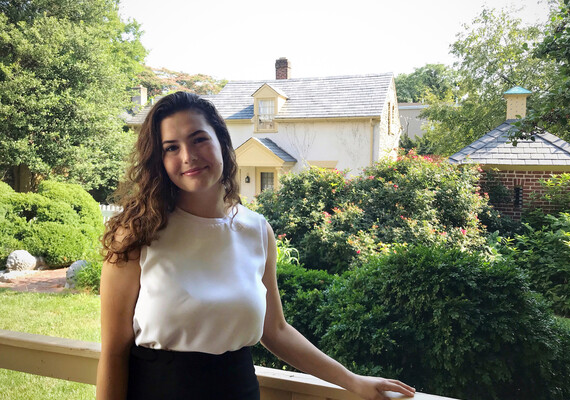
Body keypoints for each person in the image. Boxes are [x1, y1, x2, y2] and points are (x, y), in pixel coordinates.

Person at [96, 91, 416, 400]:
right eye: (171, 147)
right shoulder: (136, 233)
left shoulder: (256, 230)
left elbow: (275, 330)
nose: (188, 156)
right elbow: (113, 352)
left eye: (198, 139)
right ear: (159, 159)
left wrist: (354, 382)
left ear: (222, 141)